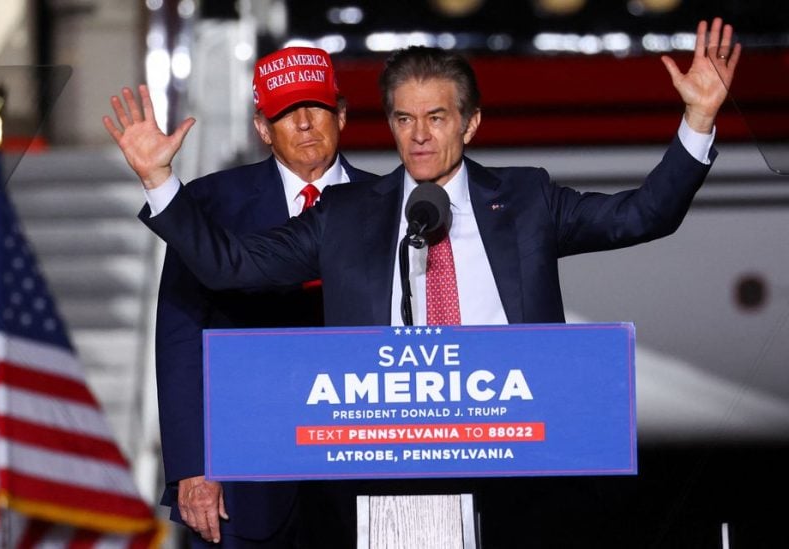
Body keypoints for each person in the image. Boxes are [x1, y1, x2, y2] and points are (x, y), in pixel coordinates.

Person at [107, 18, 739, 546]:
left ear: (469, 124)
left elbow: (643, 214)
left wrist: (697, 123)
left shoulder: (524, 199)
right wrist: (161, 183)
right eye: (405, 119)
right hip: (391, 480)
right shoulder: (350, 214)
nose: (419, 135)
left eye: (437, 117)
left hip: (518, 466)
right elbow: (230, 267)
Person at [104, 46, 376, 548]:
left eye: (315, 107)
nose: (304, 124)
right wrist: (192, 467)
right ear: (262, 127)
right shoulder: (209, 204)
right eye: (286, 113)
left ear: (340, 114)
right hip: (247, 475)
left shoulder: (393, 203)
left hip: (363, 465)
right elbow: (181, 336)